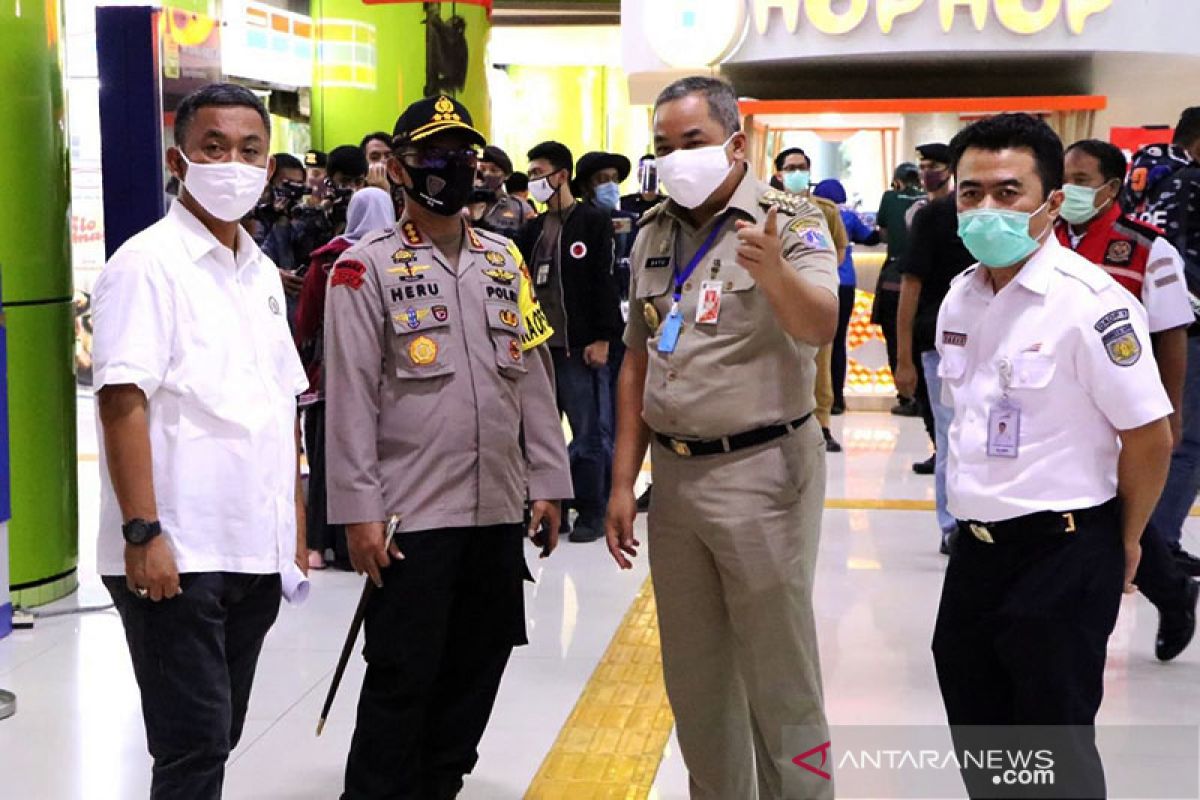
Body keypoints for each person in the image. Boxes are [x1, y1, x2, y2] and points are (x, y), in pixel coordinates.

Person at [323, 95, 572, 799]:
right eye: (433, 157)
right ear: (401, 169)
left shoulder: (504, 261)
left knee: (476, 672)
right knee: (403, 679)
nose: (451, 170)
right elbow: (349, 400)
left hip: (495, 510)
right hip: (411, 519)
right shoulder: (364, 269)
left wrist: (549, 480)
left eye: (462, 156)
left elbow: (531, 376)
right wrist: (357, 512)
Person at [606, 76, 838, 800]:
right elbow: (637, 359)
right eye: (664, 147)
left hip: (763, 472)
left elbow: (820, 324)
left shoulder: (788, 220)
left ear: (737, 144)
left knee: (781, 682)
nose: (678, 159)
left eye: (694, 142)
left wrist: (773, 275)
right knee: (698, 680)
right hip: (675, 482)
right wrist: (621, 482)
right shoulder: (652, 233)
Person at [932, 113, 1174, 799]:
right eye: (971, 193)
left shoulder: (1090, 303)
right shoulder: (962, 295)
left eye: (1008, 193)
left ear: (1048, 202)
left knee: (1052, 748)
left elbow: (1149, 434)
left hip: (1062, 553)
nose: (986, 209)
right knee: (982, 734)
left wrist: (1126, 540)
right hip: (976, 553)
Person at [90, 83, 309, 799]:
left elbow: (281, 404)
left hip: (249, 548)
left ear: (271, 163)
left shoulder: (259, 273)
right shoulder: (145, 264)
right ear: (179, 157)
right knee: (192, 747)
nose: (232, 164)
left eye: (250, 149)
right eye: (213, 147)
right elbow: (121, 403)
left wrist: (293, 532)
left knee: (217, 736)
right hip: (176, 552)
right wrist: (143, 531)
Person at [1056, 137, 1198, 660]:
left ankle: (1170, 592)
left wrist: (1172, 413)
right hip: (1061, 402)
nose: (1068, 189)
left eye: (1082, 180)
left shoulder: (1146, 247)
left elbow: (1172, 332)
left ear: (1112, 187)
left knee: (1117, 511)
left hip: (1124, 404)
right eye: (1063, 178)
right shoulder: (1041, 237)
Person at [518, 141, 623, 543]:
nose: (534, 181)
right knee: (540, 433)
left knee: (589, 432)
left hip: (579, 347)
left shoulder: (591, 222)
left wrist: (602, 338)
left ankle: (592, 509)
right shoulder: (531, 229)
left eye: (538, 173)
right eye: (530, 174)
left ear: (561, 175)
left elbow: (604, 282)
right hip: (540, 349)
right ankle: (545, 506)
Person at [295, 187, 396, 571]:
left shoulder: (326, 261)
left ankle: (319, 545)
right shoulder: (399, 259)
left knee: (324, 461)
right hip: (387, 381)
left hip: (326, 379)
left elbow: (304, 321)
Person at [1122, 107, 1200, 578]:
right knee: (1185, 437)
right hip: (1188, 325)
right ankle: (1159, 544)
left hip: (1143, 320)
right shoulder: (1193, 182)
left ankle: (1146, 539)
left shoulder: (1149, 174)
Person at [894, 143, 974, 551]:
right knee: (950, 435)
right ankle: (953, 526)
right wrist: (903, 359)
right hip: (942, 344)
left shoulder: (1009, 217)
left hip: (998, 342)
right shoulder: (933, 217)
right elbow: (911, 285)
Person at [774, 147, 850, 452]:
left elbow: (839, 249)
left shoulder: (826, 209)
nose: (796, 173)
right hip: (779, 294)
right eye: (790, 168)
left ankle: (823, 423)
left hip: (814, 295)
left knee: (822, 360)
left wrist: (818, 277)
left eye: (801, 167)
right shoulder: (767, 208)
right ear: (778, 174)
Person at [813, 178, 880, 416]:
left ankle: (815, 398)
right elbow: (871, 237)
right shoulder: (848, 217)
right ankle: (837, 399)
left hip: (817, 283)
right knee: (838, 341)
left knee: (815, 344)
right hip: (845, 283)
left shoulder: (809, 212)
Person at [874, 162, 925, 418]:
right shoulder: (928, 201)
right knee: (921, 339)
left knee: (896, 337)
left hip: (894, 277)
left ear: (896, 181)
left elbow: (882, 234)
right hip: (927, 281)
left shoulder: (889, 197)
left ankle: (906, 396)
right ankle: (923, 396)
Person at [245, 152, 308, 325]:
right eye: (287, 185)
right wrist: (273, 274)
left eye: (299, 186)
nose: (292, 193)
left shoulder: (301, 220)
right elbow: (245, 261)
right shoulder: (251, 218)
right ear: (268, 185)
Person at [467, 145, 527, 240]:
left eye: (494, 170)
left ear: (506, 175)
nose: (486, 174)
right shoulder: (461, 204)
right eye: (482, 169)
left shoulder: (519, 207)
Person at [620, 154, 666, 219]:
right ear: (638, 173)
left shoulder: (670, 205)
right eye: (644, 170)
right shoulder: (625, 204)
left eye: (652, 170)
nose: (648, 173)